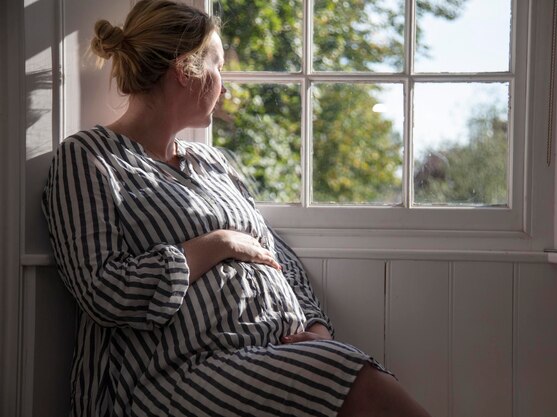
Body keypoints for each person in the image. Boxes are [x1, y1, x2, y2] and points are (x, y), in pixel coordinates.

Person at [42, 1, 432, 416]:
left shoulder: (212, 162)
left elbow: (278, 258)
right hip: (176, 375)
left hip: (267, 353)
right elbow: (104, 291)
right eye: (218, 67)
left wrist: (317, 327)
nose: (224, 86)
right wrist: (214, 244)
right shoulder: (89, 158)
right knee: (365, 384)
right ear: (184, 70)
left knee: (347, 365)